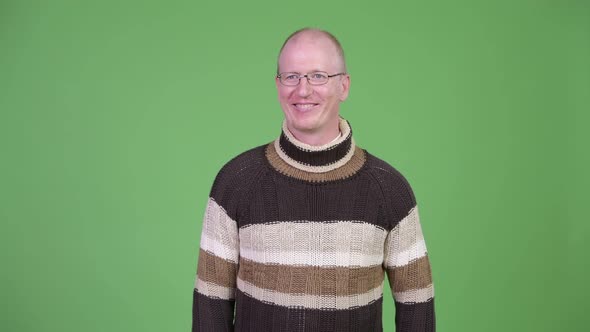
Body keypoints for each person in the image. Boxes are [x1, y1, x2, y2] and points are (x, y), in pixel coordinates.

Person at [192, 28, 435, 332]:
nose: (303, 90)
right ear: (278, 85)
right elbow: (210, 306)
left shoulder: (389, 190)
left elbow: (418, 307)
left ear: (344, 86)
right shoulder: (236, 181)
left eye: (318, 76)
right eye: (291, 76)